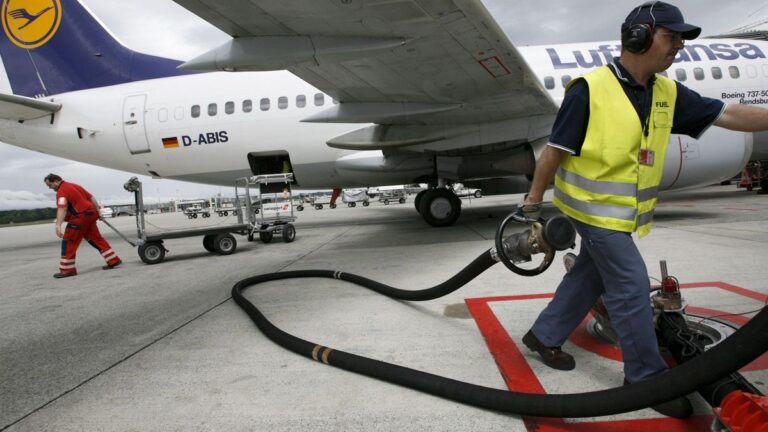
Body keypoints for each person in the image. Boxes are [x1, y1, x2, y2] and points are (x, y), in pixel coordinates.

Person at [517, 1, 768, 419]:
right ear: (639, 37)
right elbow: (553, 152)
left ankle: (544, 335)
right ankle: (645, 379)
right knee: (631, 284)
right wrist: (532, 202)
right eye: (672, 37)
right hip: (591, 209)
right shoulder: (589, 89)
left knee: (592, 273)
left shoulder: (665, 92)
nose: (679, 46)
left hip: (619, 212)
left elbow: (728, 114)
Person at [44, 174, 122, 278]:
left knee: (69, 241)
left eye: (50, 185)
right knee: (96, 239)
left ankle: (67, 270)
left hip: (79, 218)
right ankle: (113, 260)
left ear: (55, 181)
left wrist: (58, 225)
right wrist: (98, 211)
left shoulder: (61, 191)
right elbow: (91, 197)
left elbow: (62, 208)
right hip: (91, 214)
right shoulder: (75, 185)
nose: (50, 188)